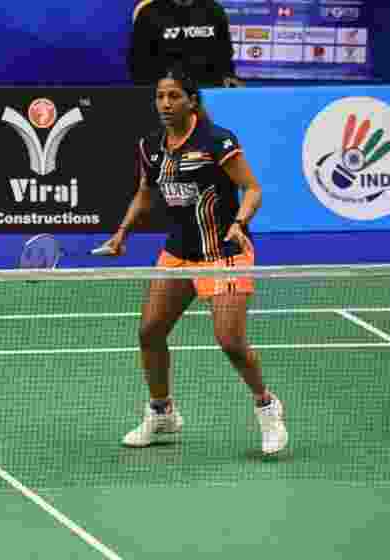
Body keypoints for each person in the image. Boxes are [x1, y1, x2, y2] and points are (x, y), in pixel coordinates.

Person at [101, 65, 287, 455]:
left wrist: (240, 222)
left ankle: (267, 407)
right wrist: (122, 233)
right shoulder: (151, 146)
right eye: (160, 96)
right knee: (150, 331)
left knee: (230, 341)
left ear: (192, 101)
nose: (165, 103)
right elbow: (145, 193)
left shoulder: (217, 142)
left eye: (174, 96)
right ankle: (162, 413)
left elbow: (251, 189)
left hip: (224, 252)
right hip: (179, 252)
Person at [129, 0, 242, 88]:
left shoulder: (214, 10)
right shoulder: (149, 14)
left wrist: (229, 76)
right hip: (166, 94)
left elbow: (224, 55)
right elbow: (139, 62)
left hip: (209, 90)